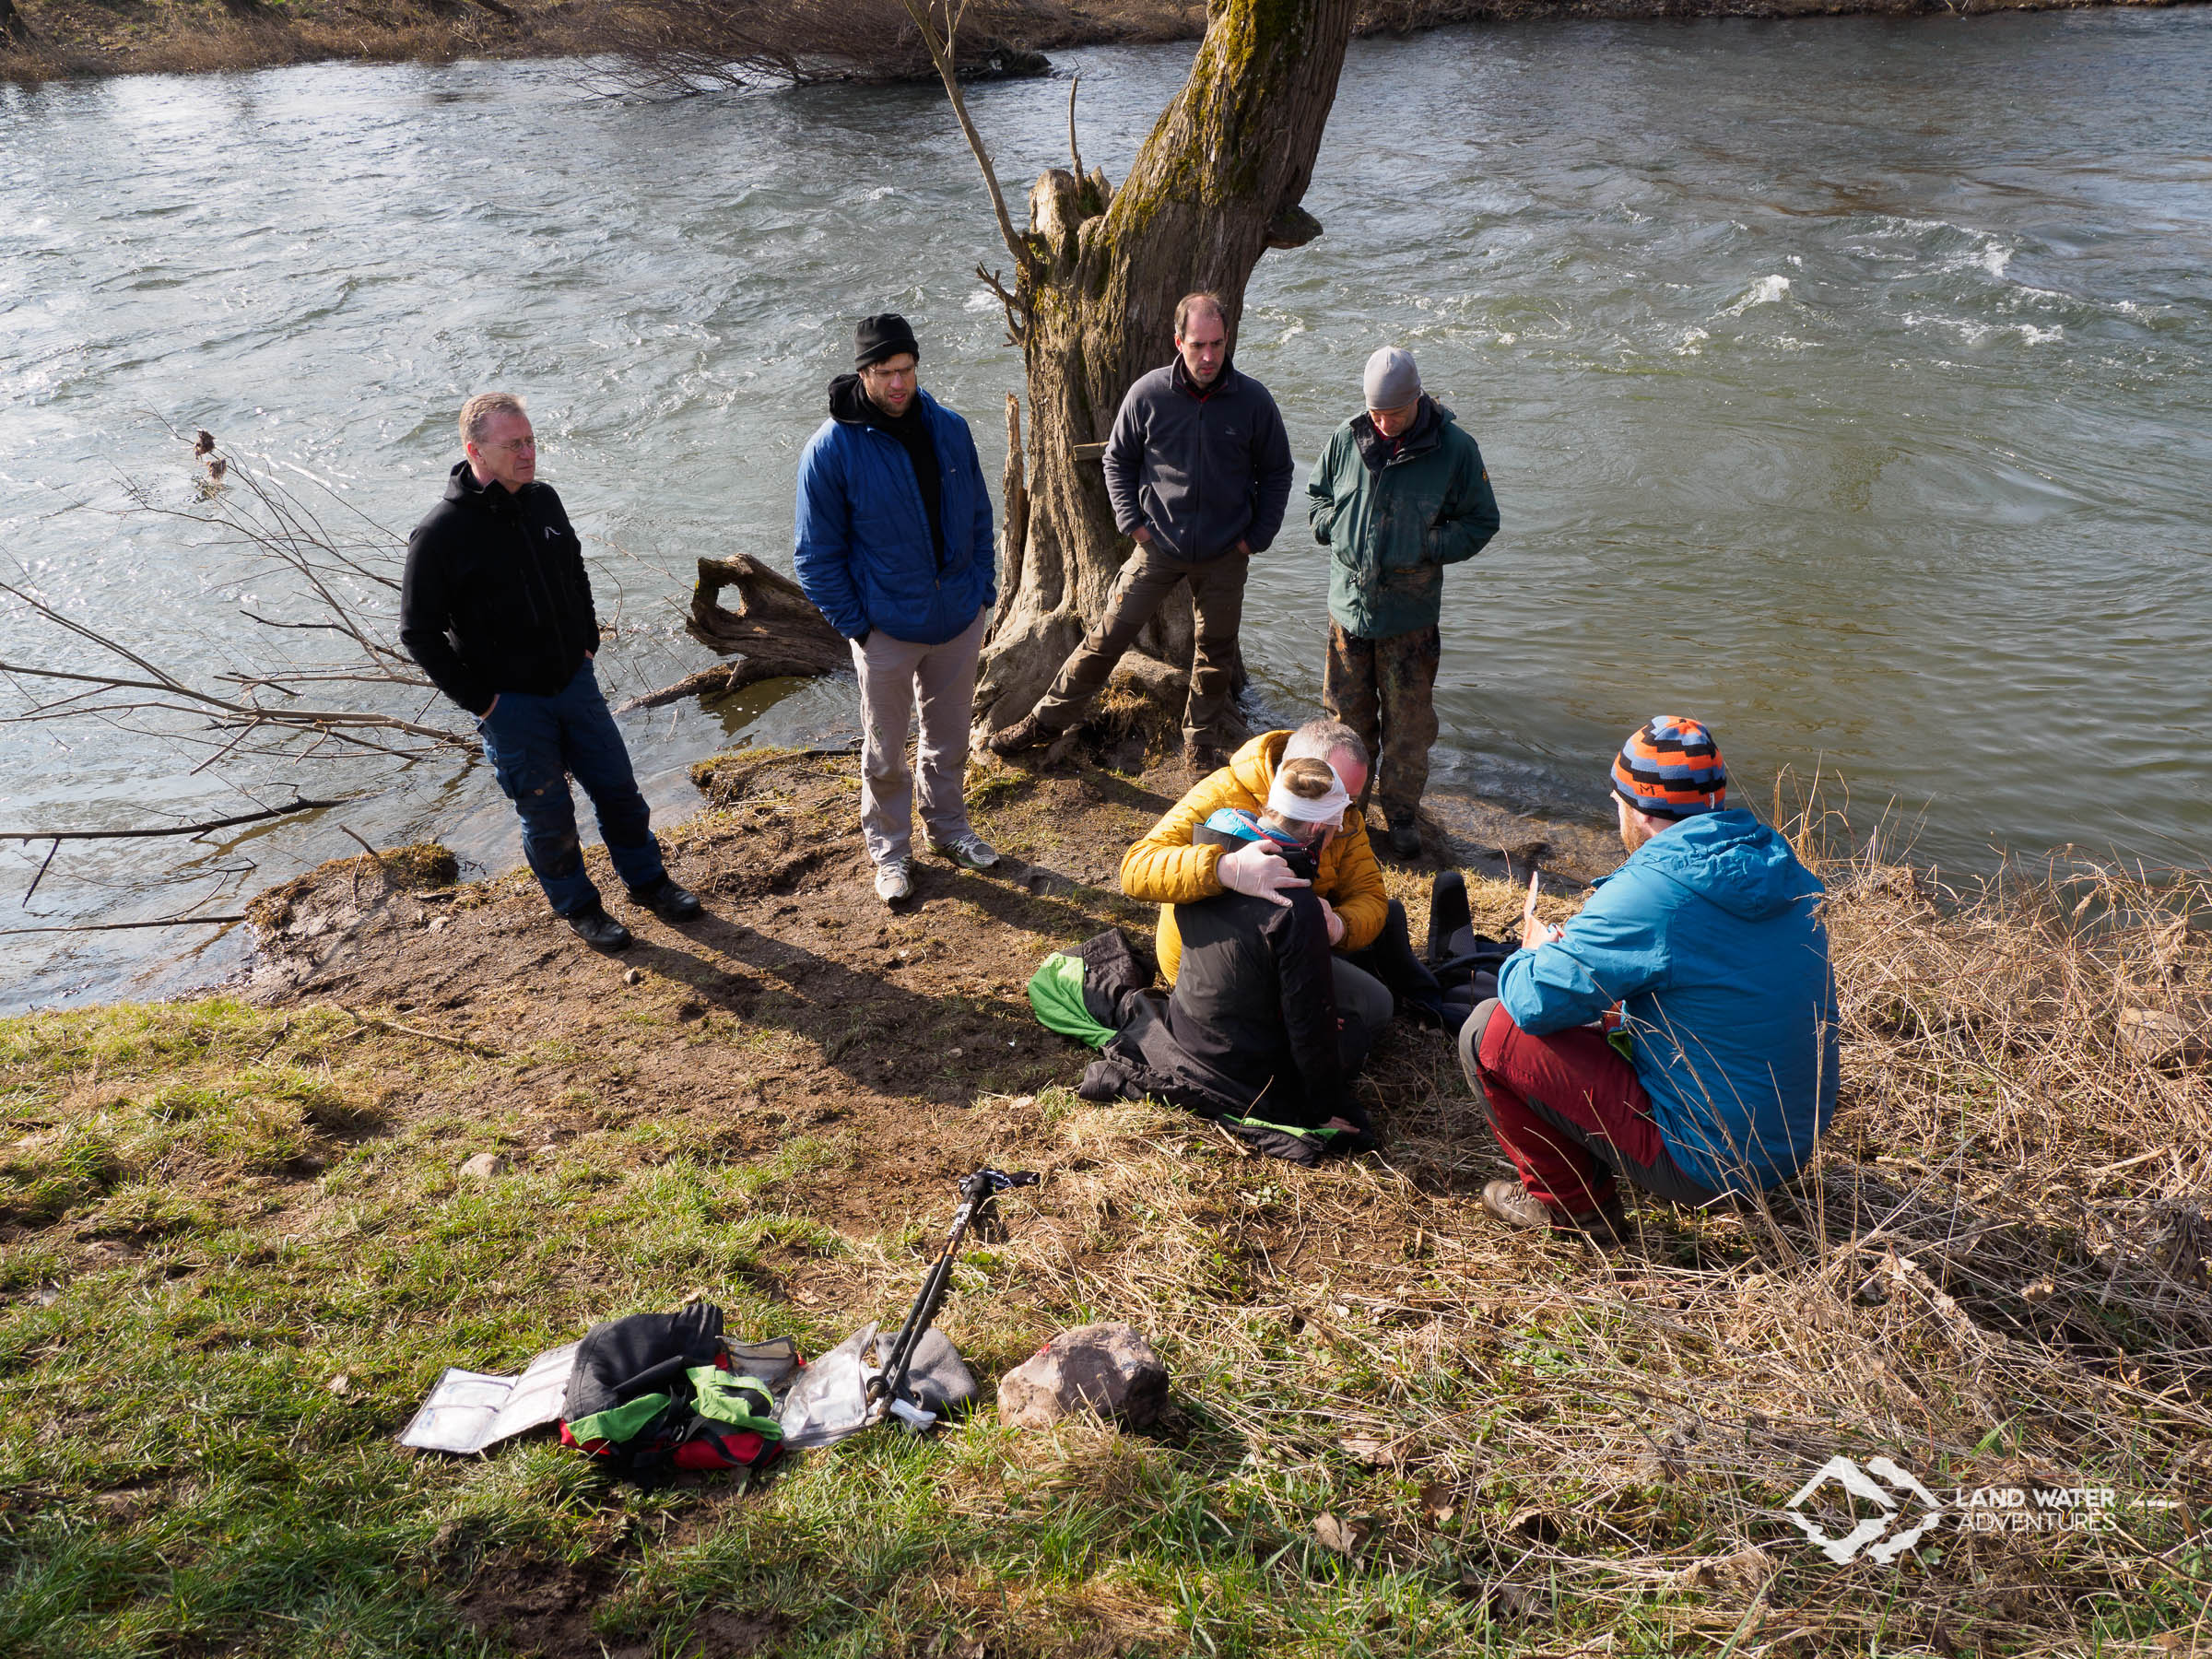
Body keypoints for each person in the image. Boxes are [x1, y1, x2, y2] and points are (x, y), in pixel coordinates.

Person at [1457, 717, 1839, 1243]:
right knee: (1611, 1011)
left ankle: (1574, 1210)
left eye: (1617, 800)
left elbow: (1531, 1003)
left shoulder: (1653, 892)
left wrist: (1533, 953)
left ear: (1637, 809)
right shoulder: (1777, 864)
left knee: (1488, 1029)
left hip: (1713, 1164)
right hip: (1793, 1142)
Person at [401, 392, 699, 953]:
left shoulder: (544, 502)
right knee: (548, 815)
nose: (528, 452)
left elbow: (576, 573)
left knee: (619, 793)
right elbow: (419, 634)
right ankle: (581, 908)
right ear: (475, 450)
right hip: (511, 705)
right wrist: (483, 703)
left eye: (531, 440)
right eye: (513, 444)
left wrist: (587, 644)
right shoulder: (440, 533)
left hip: (574, 683)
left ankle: (650, 884)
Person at [986, 291, 1295, 775]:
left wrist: (1255, 537)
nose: (1209, 356)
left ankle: (1200, 744)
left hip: (1226, 551)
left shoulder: (1252, 401)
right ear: (1179, 342)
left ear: (1227, 339)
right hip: (1158, 549)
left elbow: (1277, 472)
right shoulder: (1149, 394)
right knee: (1106, 638)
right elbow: (1118, 459)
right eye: (1197, 345)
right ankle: (1044, 724)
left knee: (1215, 652)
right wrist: (1132, 522)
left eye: (1216, 344)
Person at [1066, 758, 1378, 1166]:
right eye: (1336, 828)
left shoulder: (1210, 858)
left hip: (1186, 1032)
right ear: (1319, 828)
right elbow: (1308, 1024)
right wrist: (1319, 1110)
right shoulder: (1295, 903)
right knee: (1356, 1029)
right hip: (1243, 1071)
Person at [793, 313, 1000, 905]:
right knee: (885, 749)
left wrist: (981, 590)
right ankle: (890, 853)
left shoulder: (950, 429)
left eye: (907, 370)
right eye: (886, 373)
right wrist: (860, 626)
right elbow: (814, 556)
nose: (900, 384)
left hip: (959, 618)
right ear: (864, 374)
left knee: (951, 737)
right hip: (885, 630)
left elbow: (980, 517)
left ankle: (951, 829)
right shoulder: (830, 450)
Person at [1306, 346, 1500, 860]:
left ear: (1418, 398)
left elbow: (1482, 521)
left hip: (1410, 619)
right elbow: (1317, 498)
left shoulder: (1455, 449)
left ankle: (1402, 816)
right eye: (1376, 413)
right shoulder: (1347, 437)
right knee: (1346, 722)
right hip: (1348, 612)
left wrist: (1428, 546)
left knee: (1409, 728)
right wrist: (1334, 527)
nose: (1385, 423)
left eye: (1395, 412)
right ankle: (1347, 810)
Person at [1120, 717, 1394, 1040]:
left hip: (1287, 947)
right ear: (1299, 774)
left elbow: (1371, 897)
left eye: (1351, 800)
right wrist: (1225, 869)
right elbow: (1136, 868)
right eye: (1335, 796)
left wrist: (1338, 925)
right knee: (1373, 1007)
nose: (1343, 815)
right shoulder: (1224, 792)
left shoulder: (1345, 817)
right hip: (1205, 969)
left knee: (1388, 938)